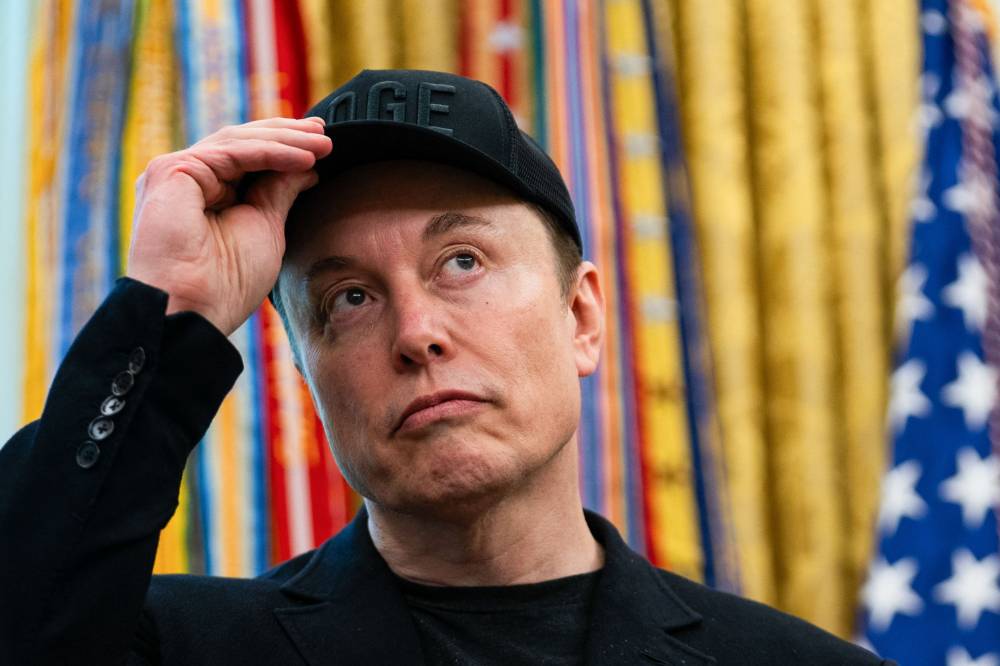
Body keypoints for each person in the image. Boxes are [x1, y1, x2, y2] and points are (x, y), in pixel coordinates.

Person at [0, 69, 891, 665]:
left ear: (579, 316)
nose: (416, 332)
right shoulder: (175, 644)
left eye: (460, 261)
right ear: (308, 379)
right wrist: (175, 314)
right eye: (348, 297)